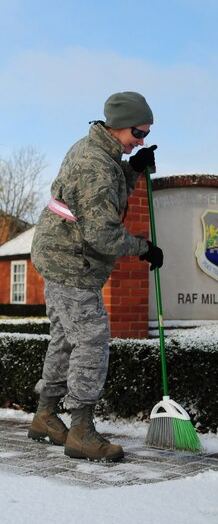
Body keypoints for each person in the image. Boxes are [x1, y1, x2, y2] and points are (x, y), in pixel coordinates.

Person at [28, 91, 163, 462]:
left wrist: (133, 167)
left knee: (66, 337)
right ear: (119, 125)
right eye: (138, 132)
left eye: (147, 132)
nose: (142, 138)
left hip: (60, 256)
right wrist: (144, 249)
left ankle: (45, 415)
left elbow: (106, 196)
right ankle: (82, 431)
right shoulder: (96, 164)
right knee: (91, 339)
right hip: (72, 262)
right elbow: (102, 233)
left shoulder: (101, 151)